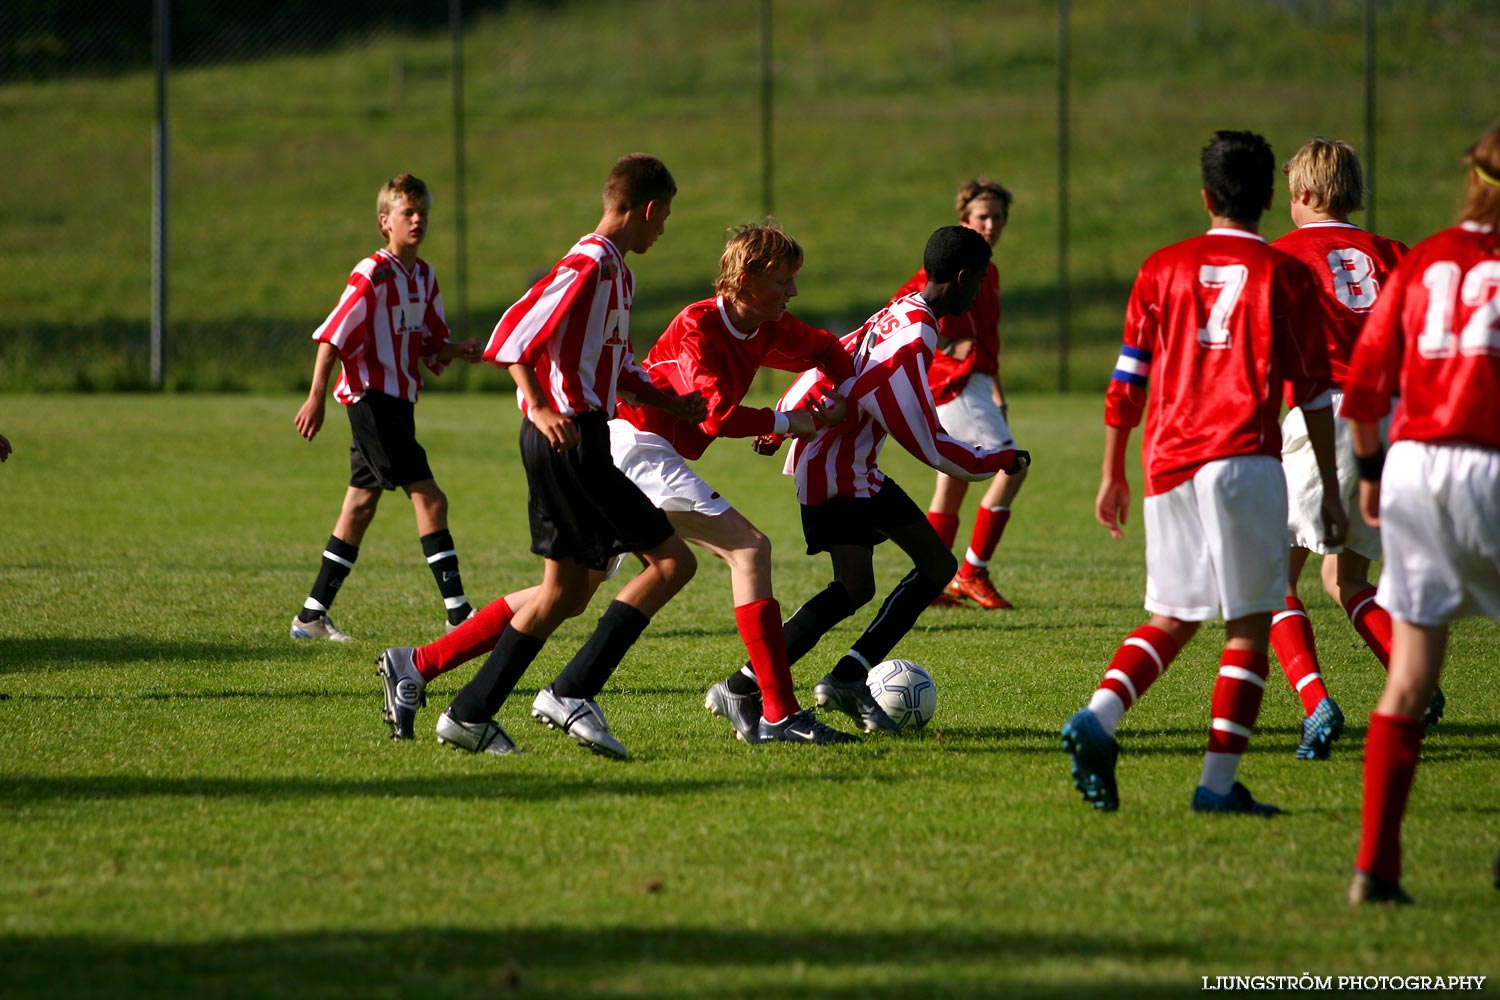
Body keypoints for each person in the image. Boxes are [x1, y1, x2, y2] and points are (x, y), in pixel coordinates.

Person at [1061, 130, 1347, 815]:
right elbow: (1311, 393)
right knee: (1248, 624)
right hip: (1245, 458)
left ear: (1205, 196)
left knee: (1172, 616)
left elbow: (1126, 380)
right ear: (1271, 198)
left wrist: (1112, 472)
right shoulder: (1287, 274)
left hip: (1168, 461)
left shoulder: (1162, 267)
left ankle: (1098, 718)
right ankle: (1217, 787)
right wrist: (1331, 488)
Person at [413, 153, 705, 760]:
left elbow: (615, 367)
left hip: (579, 439)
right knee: (672, 563)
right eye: (665, 217)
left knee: (566, 594)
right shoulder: (592, 260)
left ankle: (469, 713)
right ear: (647, 209)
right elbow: (511, 334)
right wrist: (540, 406)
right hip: (569, 440)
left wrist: (668, 401)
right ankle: (572, 693)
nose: (664, 229)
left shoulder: (618, 273)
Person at [723, 226, 1030, 720]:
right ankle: (827, 680)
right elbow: (927, 442)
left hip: (834, 464)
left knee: (856, 585)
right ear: (961, 277)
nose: (980, 294)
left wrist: (783, 421)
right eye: (979, 283)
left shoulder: (900, 309)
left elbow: (835, 355)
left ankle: (766, 682)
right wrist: (997, 459)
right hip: (843, 471)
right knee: (935, 567)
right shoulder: (917, 333)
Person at [1343, 122, 1500, 905]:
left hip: (1414, 468)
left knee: (1408, 677)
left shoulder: (1428, 256)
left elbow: (1368, 384)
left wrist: (1371, 472)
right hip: (1492, 462)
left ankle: (1376, 867)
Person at [1266, 137, 1423, 761]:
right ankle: (1414, 675)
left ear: (1303, 194)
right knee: (1347, 574)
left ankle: (1315, 703)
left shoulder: (1283, 256)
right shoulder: (1393, 254)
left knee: (1272, 577)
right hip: (1391, 420)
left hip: (1323, 413)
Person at [291, 173, 482, 643]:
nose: (417, 221)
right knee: (431, 499)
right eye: (407, 214)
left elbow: (427, 341)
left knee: (359, 506)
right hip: (371, 402)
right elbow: (333, 335)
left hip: (398, 403)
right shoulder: (372, 273)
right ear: (385, 222)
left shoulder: (424, 276)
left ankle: (311, 616)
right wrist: (316, 395)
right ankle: (459, 614)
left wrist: (457, 350)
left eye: (422, 214)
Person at [897, 178, 1028, 611]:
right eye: (982, 217)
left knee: (951, 487)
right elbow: (903, 309)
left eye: (997, 217)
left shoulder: (988, 273)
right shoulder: (942, 271)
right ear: (964, 220)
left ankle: (931, 582)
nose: (990, 224)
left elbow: (987, 342)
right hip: (953, 385)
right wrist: (949, 348)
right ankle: (971, 571)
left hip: (974, 385)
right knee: (1013, 468)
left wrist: (996, 391)